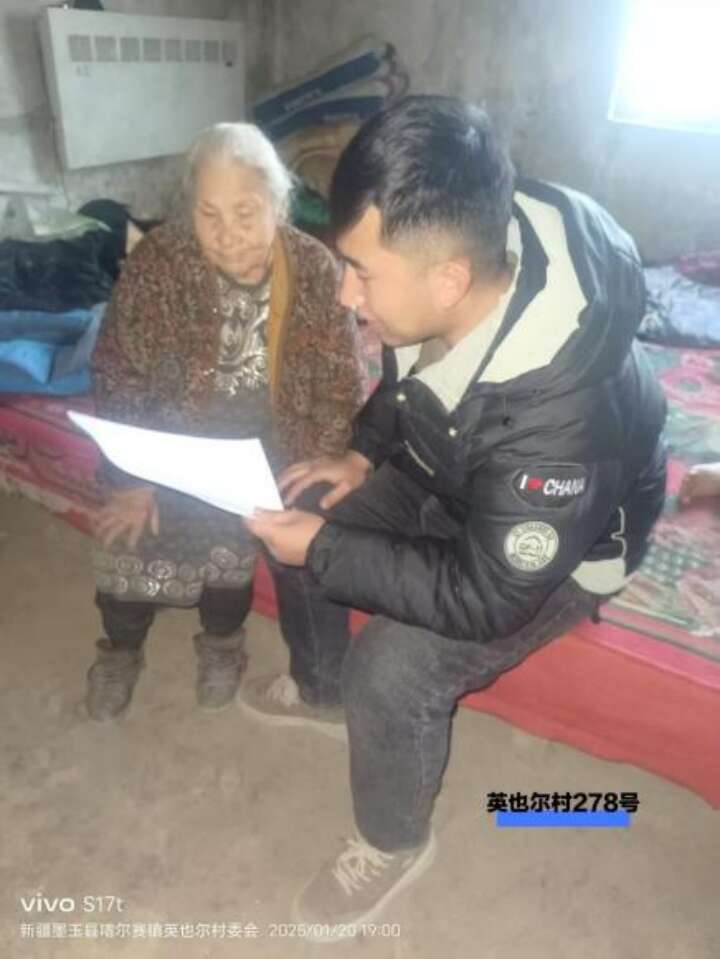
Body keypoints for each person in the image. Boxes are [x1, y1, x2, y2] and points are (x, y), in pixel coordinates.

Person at [244, 96, 667, 940]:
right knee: (306, 503)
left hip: (560, 548)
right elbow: (409, 379)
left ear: (447, 280)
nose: (344, 292)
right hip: (461, 462)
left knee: (390, 666)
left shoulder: (561, 420)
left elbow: (487, 596)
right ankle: (321, 688)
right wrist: (362, 452)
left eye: (360, 272)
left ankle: (393, 839)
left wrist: (328, 549)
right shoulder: (455, 257)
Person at [85, 122, 366, 721]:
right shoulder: (160, 261)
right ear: (190, 211)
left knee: (233, 541)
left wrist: (318, 453)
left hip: (270, 439)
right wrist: (132, 479)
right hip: (171, 435)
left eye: (245, 212)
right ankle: (120, 649)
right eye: (208, 214)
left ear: (278, 206)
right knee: (127, 538)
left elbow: (340, 378)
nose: (227, 234)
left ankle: (221, 643)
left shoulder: (314, 268)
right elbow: (117, 367)